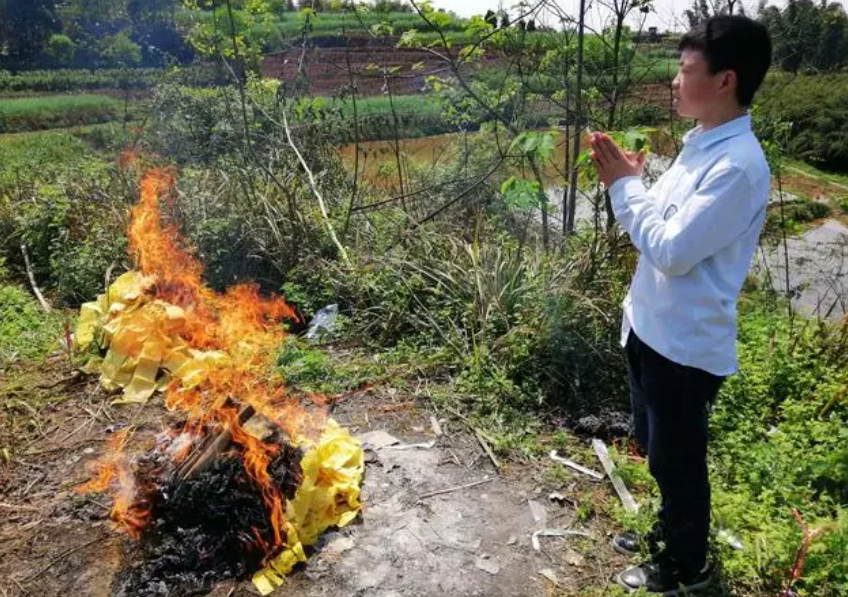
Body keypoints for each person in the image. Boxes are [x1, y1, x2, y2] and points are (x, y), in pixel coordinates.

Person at [587, 15, 773, 596]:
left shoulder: (737, 167)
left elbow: (669, 250)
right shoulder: (699, 147)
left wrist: (624, 186)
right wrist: (639, 183)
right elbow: (662, 222)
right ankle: (667, 531)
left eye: (686, 69)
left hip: (685, 348)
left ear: (725, 80)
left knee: (680, 462)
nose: (674, 80)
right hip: (650, 329)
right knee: (657, 448)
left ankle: (687, 567)